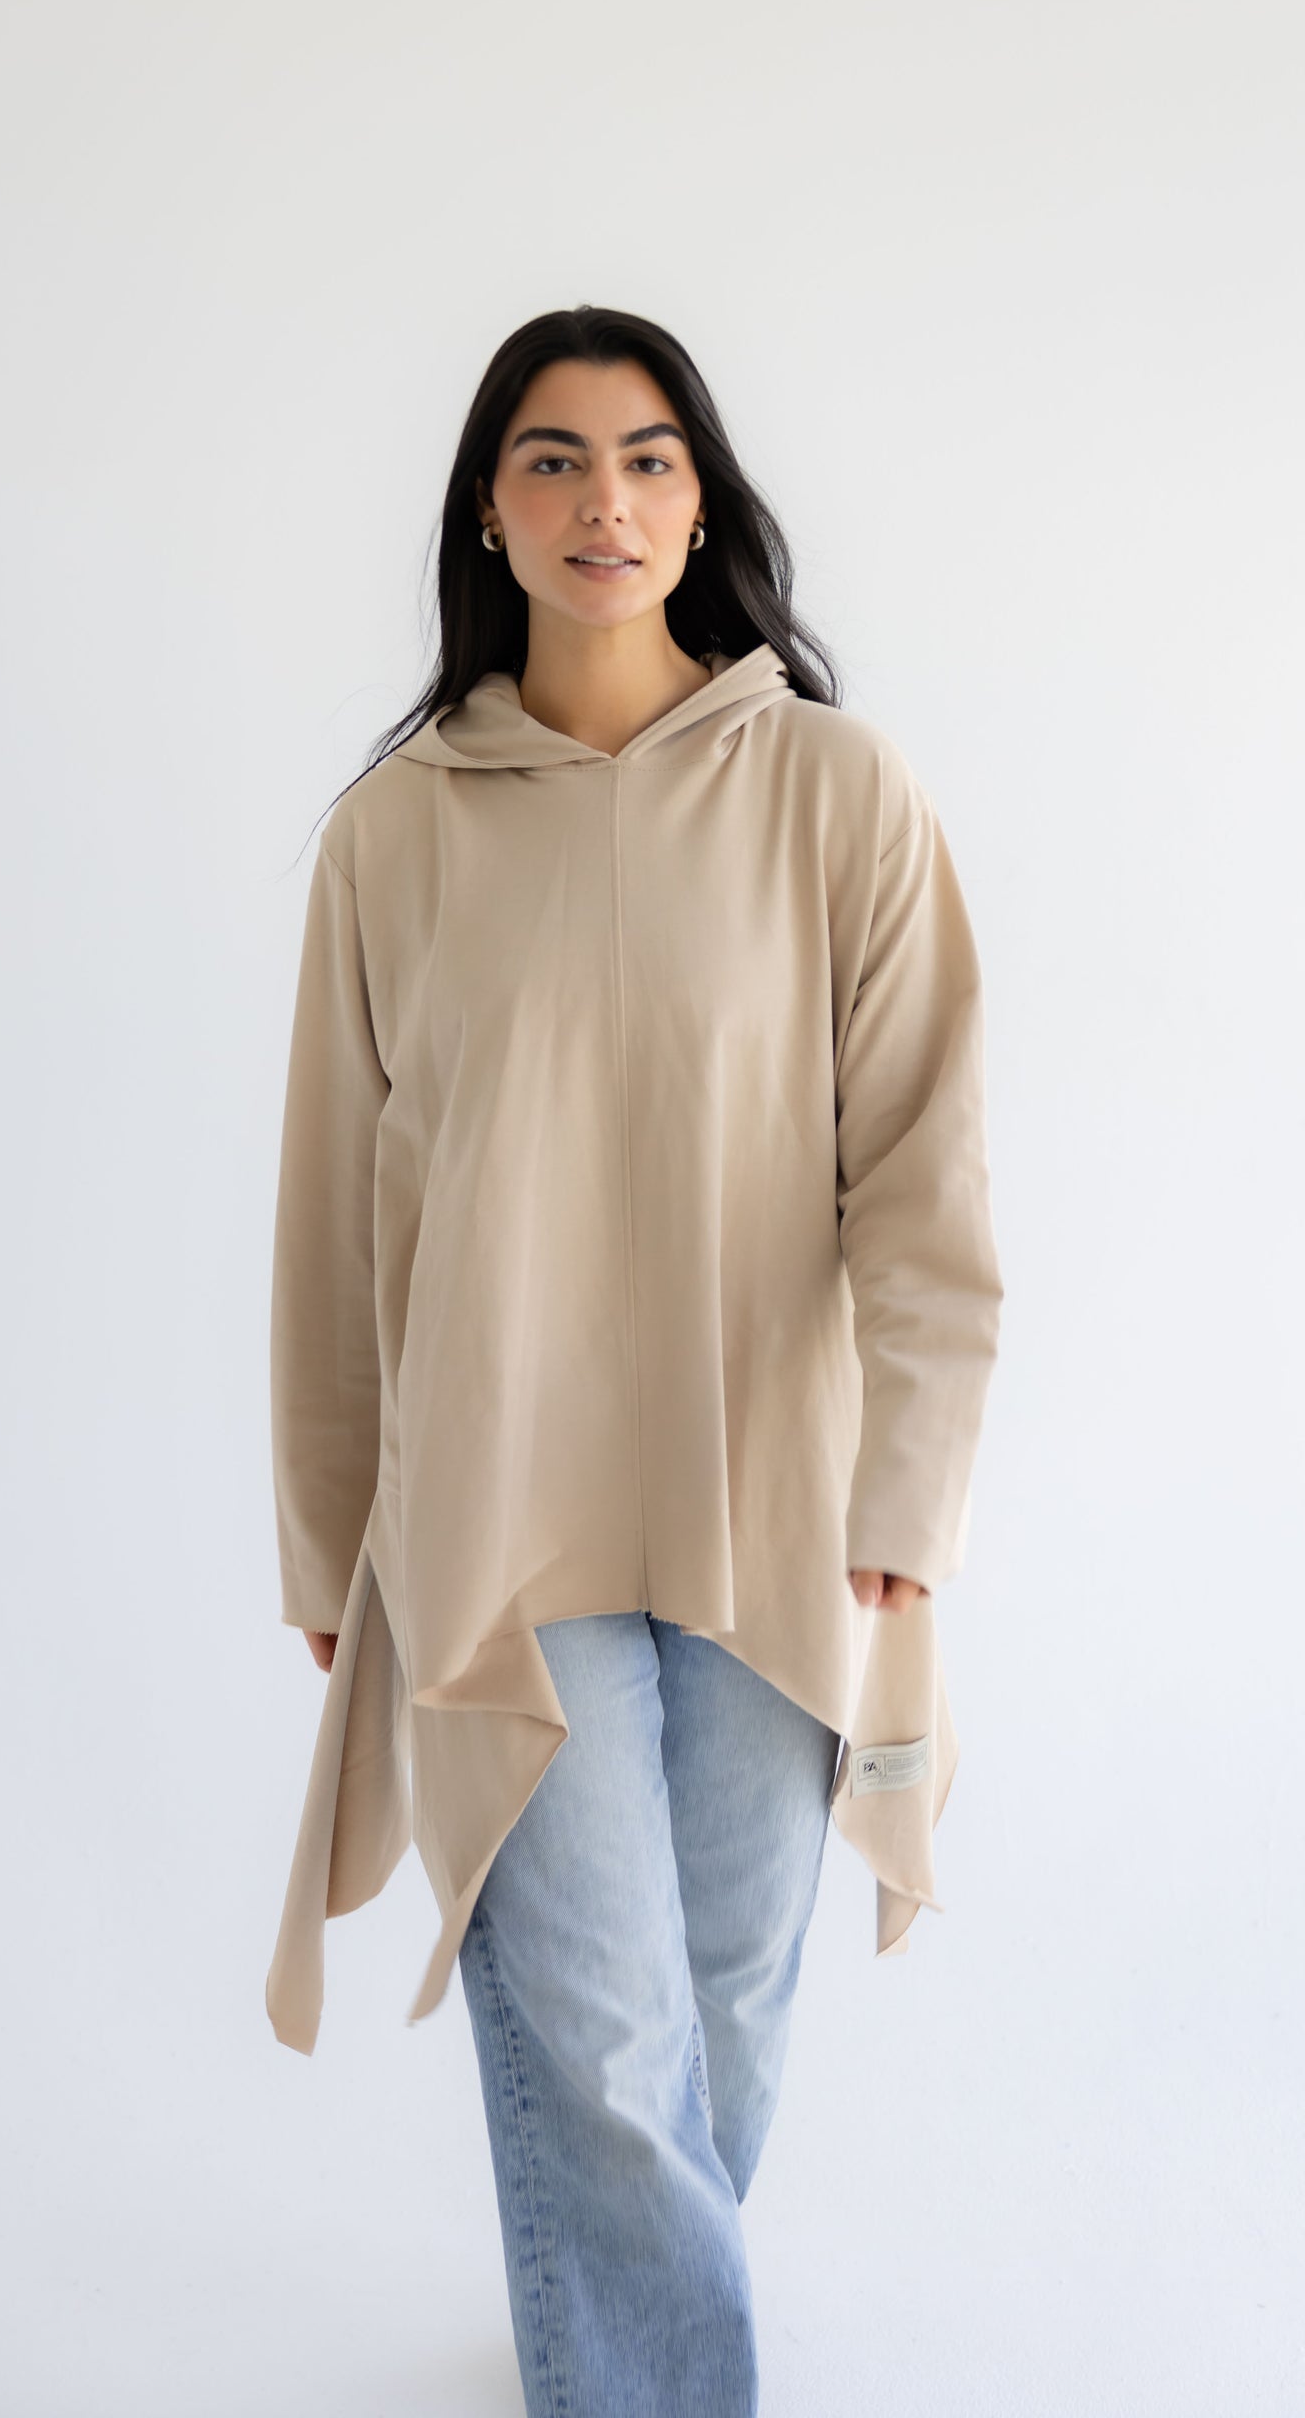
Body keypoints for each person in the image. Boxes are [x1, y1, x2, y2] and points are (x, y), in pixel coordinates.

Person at [263, 304, 1004, 2416]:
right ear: (488, 513)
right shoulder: (393, 834)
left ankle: (612, 2348)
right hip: (500, 1528)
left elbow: (925, 1179)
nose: (607, 498)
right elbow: (333, 1221)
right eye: (556, 457)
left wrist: (911, 1488)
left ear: (701, 505)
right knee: (598, 2040)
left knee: (721, 2014)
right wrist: (331, 1533)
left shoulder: (839, 795)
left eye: (651, 456)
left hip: (787, 1506)